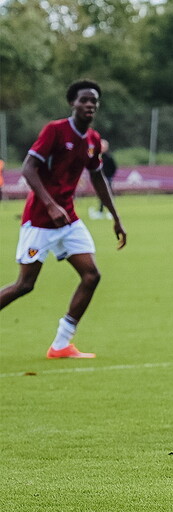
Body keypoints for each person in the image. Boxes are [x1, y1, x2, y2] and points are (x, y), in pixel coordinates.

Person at [0, 80, 127, 358]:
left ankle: (61, 344)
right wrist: (50, 205)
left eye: (94, 101)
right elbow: (28, 168)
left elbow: (97, 177)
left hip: (68, 221)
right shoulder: (55, 131)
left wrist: (115, 217)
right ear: (73, 103)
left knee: (91, 275)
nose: (90, 105)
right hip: (39, 221)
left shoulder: (92, 139)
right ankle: (60, 344)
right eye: (84, 100)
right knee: (25, 285)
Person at [90, 139, 117, 219]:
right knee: (101, 196)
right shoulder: (97, 156)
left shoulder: (109, 157)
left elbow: (113, 168)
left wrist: (109, 176)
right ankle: (101, 212)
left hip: (107, 178)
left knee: (108, 195)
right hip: (99, 179)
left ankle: (110, 212)